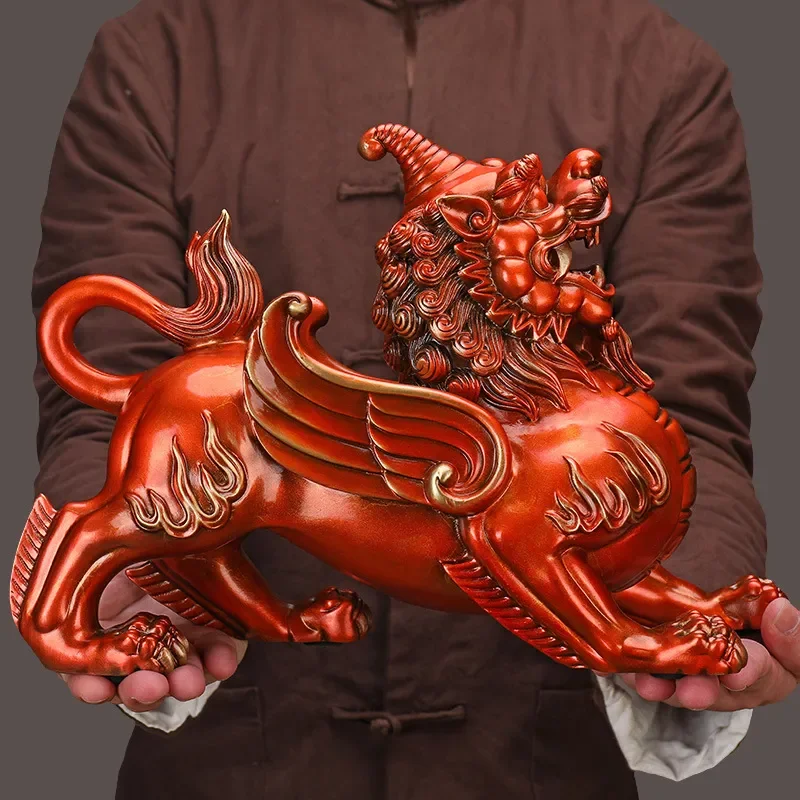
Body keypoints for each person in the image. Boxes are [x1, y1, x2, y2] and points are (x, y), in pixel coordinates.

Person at [29, 0, 798, 798]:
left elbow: (694, 410)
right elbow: (100, 404)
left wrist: (701, 602)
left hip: (538, 763)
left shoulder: (657, 66)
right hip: (231, 763)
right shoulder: (159, 55)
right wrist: (137, 578)